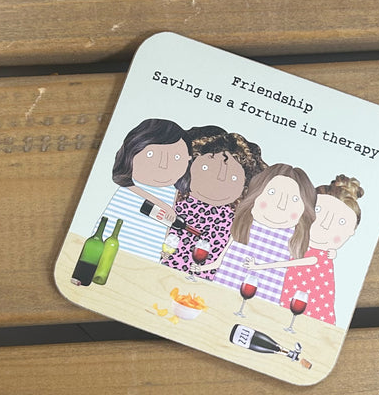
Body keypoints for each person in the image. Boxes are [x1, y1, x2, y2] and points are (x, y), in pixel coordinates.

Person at [196, 163, 317, 304]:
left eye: (294, 199)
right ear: (255, 195)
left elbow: (310, 261)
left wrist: (258, 267)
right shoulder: (244, 225)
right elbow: (220, 261)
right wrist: (201, 268)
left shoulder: (294, 237)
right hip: (222, 291)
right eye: (272, 192)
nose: (281, 205)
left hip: (262, 301)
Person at [161, 125, 267, 279]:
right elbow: (166, 232)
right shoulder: (179, 200)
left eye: (233, 178)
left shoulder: (232, 218)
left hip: (203, 281)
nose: (218, 180)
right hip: (164, 270)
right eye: (205, 168)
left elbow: (224, 256)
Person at [98, 118, 192, 262]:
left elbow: (164, 226)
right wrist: (164, 206)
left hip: (148, 251)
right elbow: (129, 187)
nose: (163, 165)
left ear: (188, 159)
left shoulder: (172, 191)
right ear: (131, 151)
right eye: (150, 154)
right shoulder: (130, 184)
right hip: (113, 241)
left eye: (177, 157)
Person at [280, 174, 364, 325]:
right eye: (318, 211)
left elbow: (323, 307)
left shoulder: (324, 262)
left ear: (351, 231)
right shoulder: (288, 240)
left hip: (314, 314)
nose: (325, 225)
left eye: (341, 222)